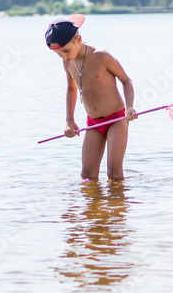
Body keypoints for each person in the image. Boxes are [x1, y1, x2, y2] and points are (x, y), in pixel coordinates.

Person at [45, 14, 138, 181]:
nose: (63, 56)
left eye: (65, 51)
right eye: (58, 53)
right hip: (93, 123)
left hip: (116, 119)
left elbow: (126, 81)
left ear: (78, 39)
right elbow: (71, 89)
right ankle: (92, 207)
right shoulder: (68, 62)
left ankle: (117, 207)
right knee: (87, 176)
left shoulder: (101, 56)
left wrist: (130, 107)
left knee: (114, 174)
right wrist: (69, 120)